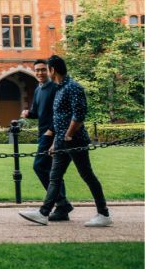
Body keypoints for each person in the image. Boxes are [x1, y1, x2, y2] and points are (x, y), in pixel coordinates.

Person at [19, 55, 112, 227]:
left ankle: (104, 213)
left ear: (52, 70)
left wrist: (68, 134)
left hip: (75, 140)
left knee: (87, 176)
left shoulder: (73, 87)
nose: (45, 72)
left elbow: (79, 115)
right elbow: (58, 118)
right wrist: (56, 141)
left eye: (47, 69)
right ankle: (43, 213)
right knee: (54, 177)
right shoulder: (60, 88)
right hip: (62, 141)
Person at [20, 59, 74, 221]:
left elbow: (59, 113)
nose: (40, 73)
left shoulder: (54, 88)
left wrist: (52, 134)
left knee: (39, 166)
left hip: (51, 134)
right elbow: (37, 112)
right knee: (53, 171)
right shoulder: (38, 89)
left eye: (43, 70)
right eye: (37, 70)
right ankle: (62, 206)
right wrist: (28, 114)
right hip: (44, 133)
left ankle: (61, 203)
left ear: (49, 71)